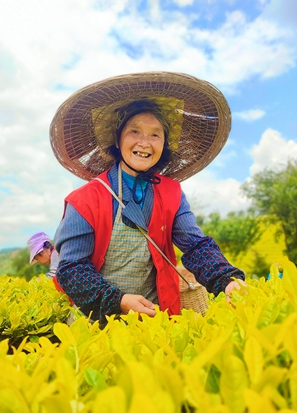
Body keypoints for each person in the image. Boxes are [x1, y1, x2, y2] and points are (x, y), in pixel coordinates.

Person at [49, 72, 246, 325]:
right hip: (94, 325)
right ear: (117, 140)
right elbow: (71, 270)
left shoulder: (171, 193)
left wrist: (227, 280)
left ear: (164, 144)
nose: (145, 142)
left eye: (155, 134)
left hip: (154, 321)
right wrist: (117, 300)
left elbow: (196, 246)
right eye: (134, 131)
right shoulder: (84, 200)